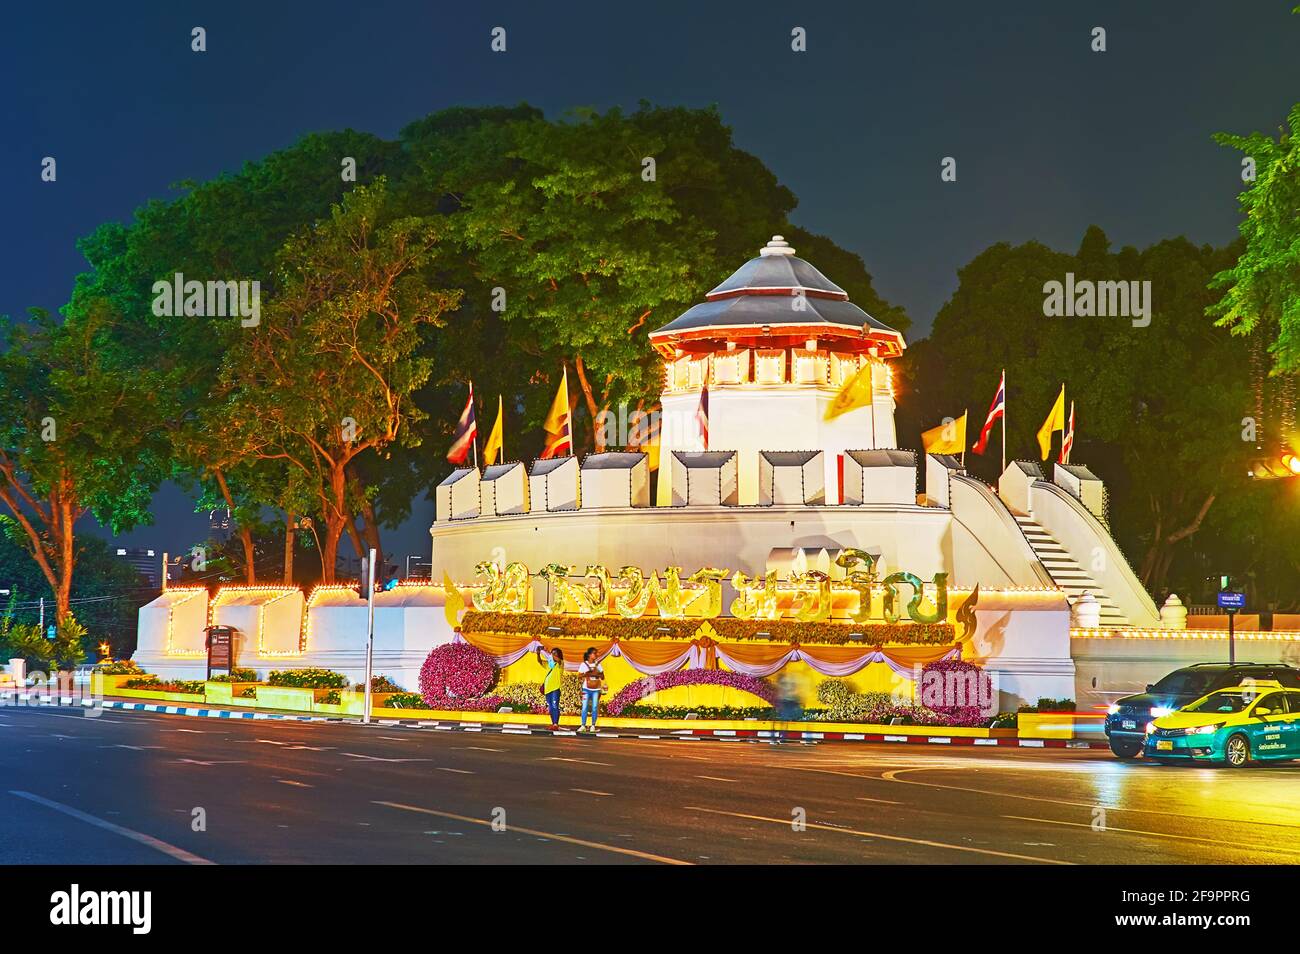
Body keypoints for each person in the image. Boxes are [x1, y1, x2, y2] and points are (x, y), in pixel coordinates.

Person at [536, 645, 565, 731]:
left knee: (555, 706)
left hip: (555, 688)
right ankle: (553, 724)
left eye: (555, 653)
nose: (553, 655)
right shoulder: (550, 664)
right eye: (553, 653)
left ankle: (556, 724)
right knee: (551, 707)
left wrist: (548, 651)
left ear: (559, 655)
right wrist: (538, 653)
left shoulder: (560, 663)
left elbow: (557, 659)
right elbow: (540, 661)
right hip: (548, 688)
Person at [577, 647, 606, 733]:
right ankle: (583, 725)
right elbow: (579, 676)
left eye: (596, 653)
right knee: (584, 707)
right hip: (586, 688)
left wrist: (597, 674)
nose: (596, 655)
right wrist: (587, 674)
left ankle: (593, 725)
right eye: (594, 653)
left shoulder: (598, 665)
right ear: (589, 655)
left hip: (596, 689)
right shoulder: (583, 665)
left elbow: (603, 676)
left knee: (594, 707)